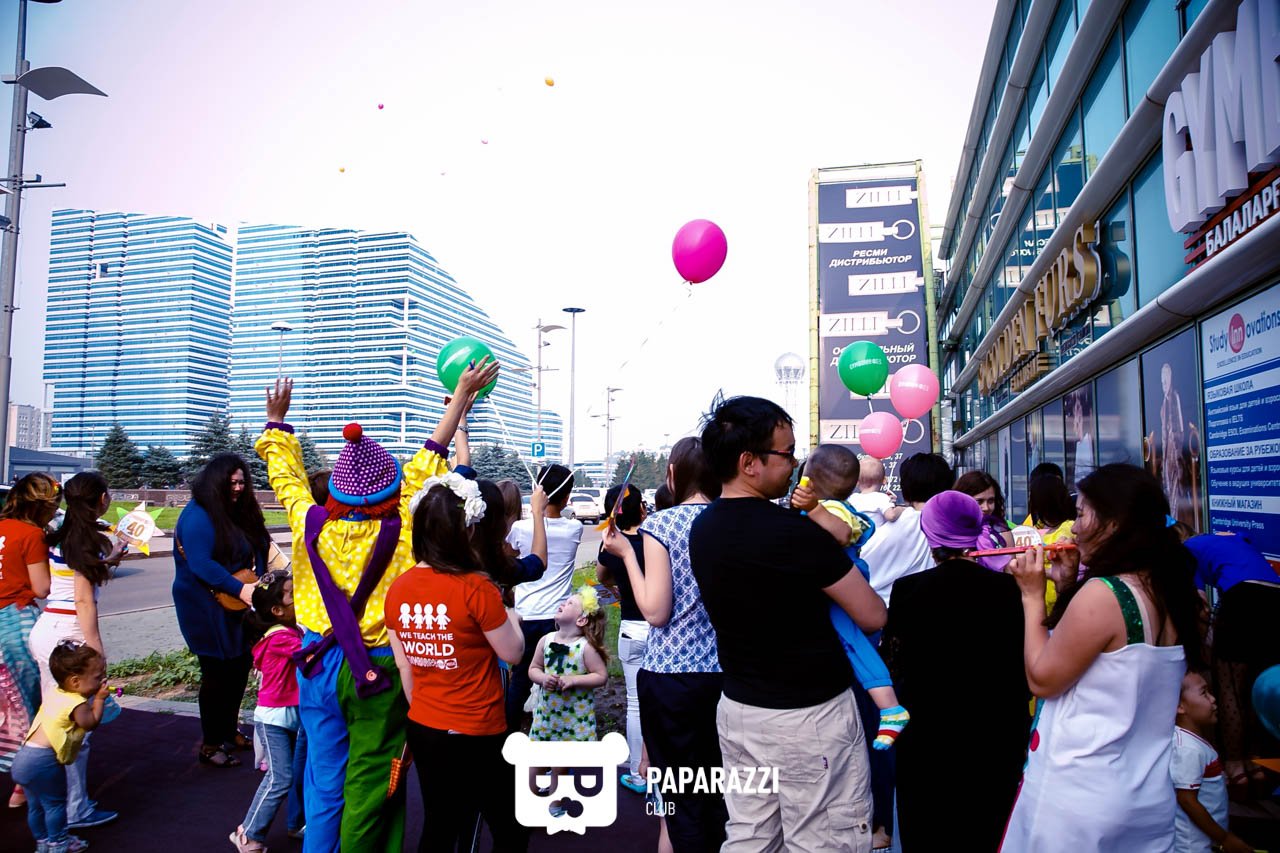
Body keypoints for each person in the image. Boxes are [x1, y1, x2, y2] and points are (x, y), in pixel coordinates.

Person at [255, 362, 496, 853]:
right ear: (394, 490)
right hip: (378, 671)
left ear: (337, 490)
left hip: (315, 664)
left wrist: (277, 423)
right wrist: (460, 398)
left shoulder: (308, 521)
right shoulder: (404, 522)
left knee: (323, 780)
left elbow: (286, 478)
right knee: (371, 783)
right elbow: (431, 456)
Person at [690, 396, 885, 851]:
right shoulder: (796, 533)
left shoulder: (704, 528)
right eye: (787, 453)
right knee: (824, 841)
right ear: (749, 463)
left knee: (751, 834)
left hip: (739, 711)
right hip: (810, 719)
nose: (796, 464)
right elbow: (873, 614)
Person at [1002, 464, 1203, 851]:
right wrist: (1066, 586)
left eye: (1081, 515)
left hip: (1080, 794)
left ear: (1113, 525)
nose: (1074, 529)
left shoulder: (1105, 594)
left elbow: (1042, 678)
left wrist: (1032, 595)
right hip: (1146, 795)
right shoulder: (1168, 588)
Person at [384, 476, 528, 853]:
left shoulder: (398, 589)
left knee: (440, 823)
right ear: (466, 531)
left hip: (425, 725)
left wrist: (427, 710)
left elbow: (404, 666)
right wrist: (511, 614)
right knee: (511, 825)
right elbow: (513, 652)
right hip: (477, 730)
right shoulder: (476, 589)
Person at [880, 491, 1029, 852]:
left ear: (930, 534)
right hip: (996, 734)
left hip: (928, 737)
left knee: (929, 832)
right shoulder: (1008, 589)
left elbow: (895, 665)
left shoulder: (908, 590)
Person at [602, 436, 727, 852]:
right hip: (725, 675)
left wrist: (627, 555)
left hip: (672, 676)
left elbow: (655, 612)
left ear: (673, 474)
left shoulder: (662, 525)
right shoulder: (730, 519)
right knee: (718, 791)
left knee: (678, 800)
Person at [791, 445, 909, 750]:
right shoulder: (835, 505)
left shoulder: (831, 509)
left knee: (854, 644)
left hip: (841, 587)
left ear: (810, 480)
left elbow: (842, 534)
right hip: (844, 583)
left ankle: (890, 707)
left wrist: (813, 508)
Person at [28, 473, 121, 829]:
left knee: (53, 719)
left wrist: (109, 560)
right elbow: (83, 600)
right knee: (75, 728)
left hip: (49, 627)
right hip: (69, 633)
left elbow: (67, 581)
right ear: (101, 499)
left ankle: (48, 800)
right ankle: (74, 809)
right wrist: (96, 648)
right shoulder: (87, 540)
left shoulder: (62, 534)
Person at [172, 453, 269, 768]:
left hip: (238, 602)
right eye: (232, 483)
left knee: (239, 666)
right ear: (216, 482)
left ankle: (229, 730)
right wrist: (241, 589)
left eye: (242, 482)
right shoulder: (198, 515)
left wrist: (260, 577)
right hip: (204, 606)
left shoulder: (236, 510)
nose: (238, 488)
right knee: (217, 674)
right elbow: (201, 564)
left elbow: (260, 544)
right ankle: (211, 743)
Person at [1184, 531, 1280, 796]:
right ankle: (1258, 764)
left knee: (1230, 691)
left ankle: (1236, 768)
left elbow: (1201, 605)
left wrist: (1198, 650)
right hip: (1276, 598)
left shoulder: (1187, 550)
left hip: (1241, 600)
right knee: (1255, 688)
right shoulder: (1230, 538)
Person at [230, 571, 306, 853]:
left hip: (286, 716)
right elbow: (311, 652)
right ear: (277, 610)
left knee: (287, 774)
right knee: (279, 778)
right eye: (293, 594)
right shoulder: (281, 637)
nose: (300, 597)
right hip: (274, 719)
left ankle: (292, 824)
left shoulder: (288, 632)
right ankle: (248, 833)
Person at [10, 641, 109, 853]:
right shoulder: (76, 703)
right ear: (75, 681)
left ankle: (43, 842)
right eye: (97, 677)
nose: (103, 680)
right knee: (55, 805)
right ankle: (59, 843)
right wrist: (99, 700)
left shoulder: (56, 693)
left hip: (24, 758)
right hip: (43, 761)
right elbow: (90, 723)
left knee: (36, 806)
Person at [505, 463, 582, 731]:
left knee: (520, 680)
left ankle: (508, 734)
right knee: (557, 678)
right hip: (558, 620)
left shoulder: (520, 528)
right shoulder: (574, 528)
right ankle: (555, 732)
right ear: (567, 497)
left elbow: (509, 554)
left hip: (526, 617)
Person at [0, 473, 58, 797]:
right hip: (15, 620)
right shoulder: (32, 534)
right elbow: (41, 588)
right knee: (28, 701)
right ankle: (23, 784)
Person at [594, 483, 648, 791]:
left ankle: (638, 774)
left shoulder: (611, 545)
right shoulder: (654, 540)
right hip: (660, 630)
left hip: (631, 629)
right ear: (641, 508)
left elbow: (601, 577)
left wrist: (618, 589)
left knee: (635, 703)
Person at [1173, 671, 1251, 853]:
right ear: (1180, 706)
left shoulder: (1192, 742)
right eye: (1204, 693)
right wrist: (1224, 838)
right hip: (1193, 847)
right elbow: (1187, 800)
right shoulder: (1188, 749)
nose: (1213, 699)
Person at [860, 453, 953, 606]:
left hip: (889, 609)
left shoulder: (903, 521)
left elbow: (861, 563)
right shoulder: (953, 524)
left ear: (906, 486)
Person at [528, 588, 610, 742]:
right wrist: (543, 678)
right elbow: (534, 668)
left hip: (576, 722)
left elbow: (601, 676)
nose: (563, 604)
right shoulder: (546, 640)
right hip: (546, 719)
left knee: (569, 757)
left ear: (581, 620)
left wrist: (573, 680)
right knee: (538, 756)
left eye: (569, 603)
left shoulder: (585, 648)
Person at [954, 470, 1014, 572]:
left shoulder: (1001, 531)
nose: (986, 507)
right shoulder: (950, 531)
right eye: (979, 501)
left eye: (991, 501)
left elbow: (1010, 573)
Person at [846, 456, 903, 528]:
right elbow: (891, 516)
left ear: (857, 482)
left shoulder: (851, 498)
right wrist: (900, 509)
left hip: (859, 534)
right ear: (884, 480)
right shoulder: (881, 498)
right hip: (877, 534)